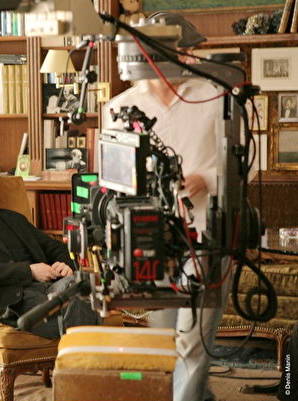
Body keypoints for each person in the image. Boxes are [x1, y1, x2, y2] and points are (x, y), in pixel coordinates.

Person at [103, 12, 226, 401]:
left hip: (207, 233)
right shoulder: (119, 108)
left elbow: (246, 163)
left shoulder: (215, 97)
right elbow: (112, 179)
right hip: (149, 239)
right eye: (184, 50)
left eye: (191, 50)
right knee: (164, 339)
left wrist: (206, 179)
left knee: (193, 339)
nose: (191, 57)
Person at [0, 152, 100, 339]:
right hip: (16, 300)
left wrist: (64, 265)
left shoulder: (15, 219)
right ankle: (88, 350)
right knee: (80, 314)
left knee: (82, 286)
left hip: (52, 286)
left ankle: (81, 350)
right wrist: (29, 271)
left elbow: (55, 247)